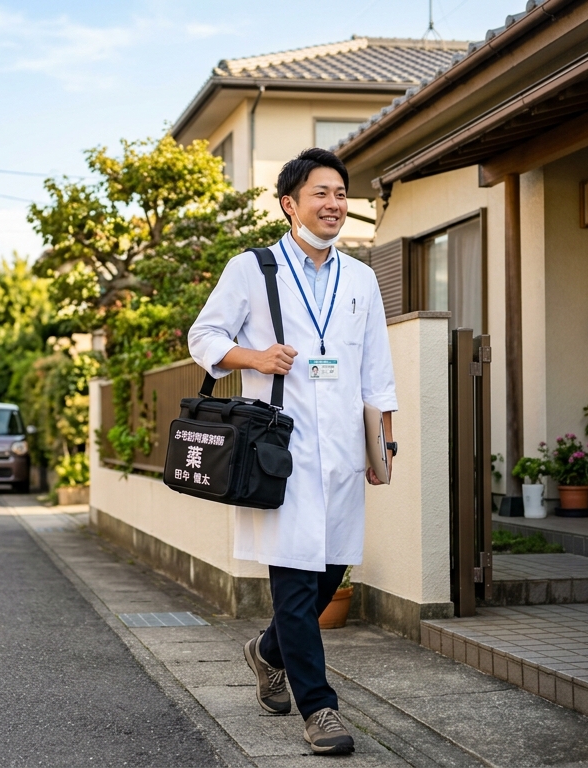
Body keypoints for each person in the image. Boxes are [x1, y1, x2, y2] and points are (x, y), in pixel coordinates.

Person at [188, 147, 396, 756]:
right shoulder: (253, 269)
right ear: (289, 204)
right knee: (296, 581)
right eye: (320, 193)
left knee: (329, 572)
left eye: (341, 194)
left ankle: (266, 651)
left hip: (344, 450)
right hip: (281, 451)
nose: (334, 204)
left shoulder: (360, 278)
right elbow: (204, 335)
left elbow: (376, 368)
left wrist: (382, 444)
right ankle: (320, 709)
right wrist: (254, 357)